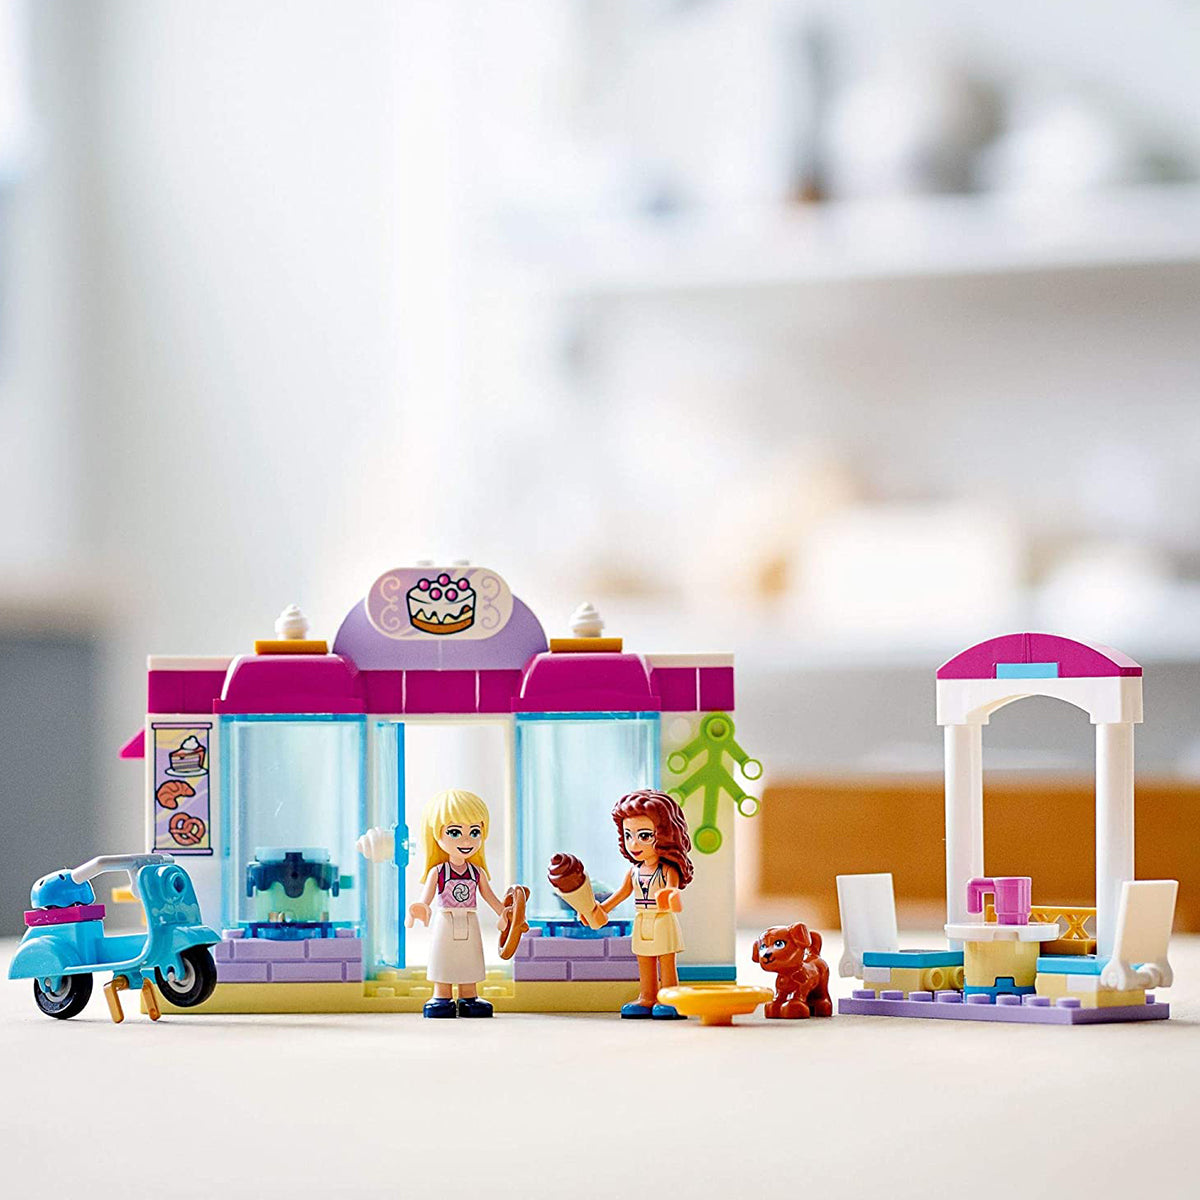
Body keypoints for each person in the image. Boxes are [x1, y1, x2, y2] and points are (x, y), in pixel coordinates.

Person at [359, 788, 507, 1018]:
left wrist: (503, 912)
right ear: (436, 834)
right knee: (443, 956)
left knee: (470, 958)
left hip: (470, 919)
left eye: (475, 832)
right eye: (455, 832)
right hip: (445, 919)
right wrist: (420, 908)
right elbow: (425, 898)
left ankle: (469, 996)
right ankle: (442, 996)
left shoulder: (476, 872)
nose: (466, 840)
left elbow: (489, 896)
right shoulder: (439, 871)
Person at [592, 788, 694, 1019]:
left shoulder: (667, 870)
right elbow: (621, 894)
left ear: (665, 835)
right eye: (628, 835)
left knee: (666, 960)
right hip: (642, 920)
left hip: (662, 919)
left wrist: (670, 897)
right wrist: (601, 909)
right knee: (644, 960)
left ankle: (670, 997)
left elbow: (673, 892)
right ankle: (647, 996)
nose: (634, 843)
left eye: (644, 836)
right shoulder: (634, 871)